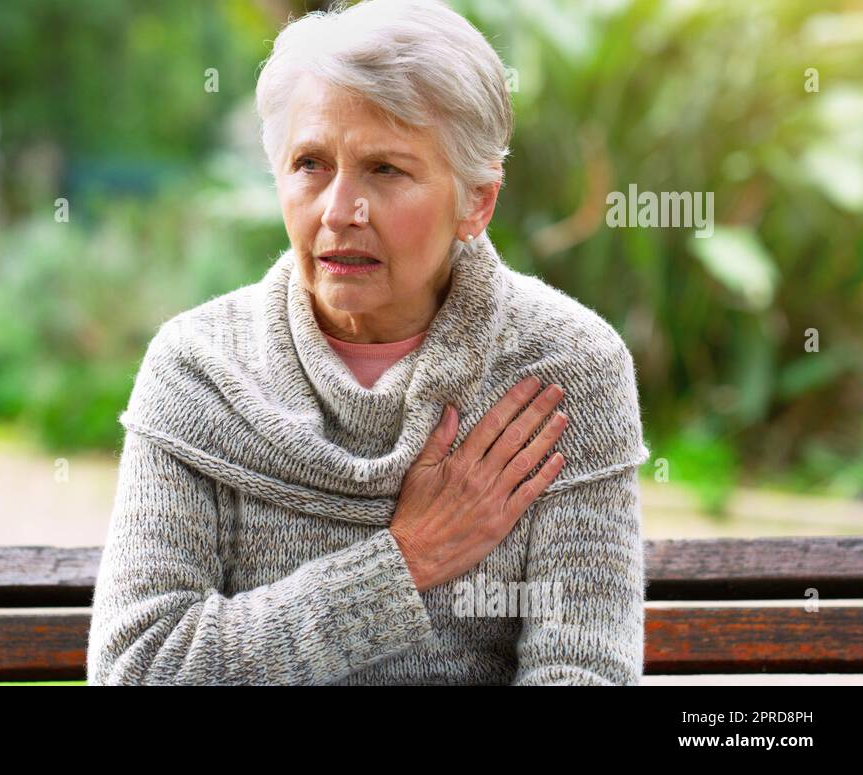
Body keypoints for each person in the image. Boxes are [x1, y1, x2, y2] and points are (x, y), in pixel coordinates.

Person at [87, 0, 650, 685]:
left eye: (385, 169)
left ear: (476, 201)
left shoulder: (567, 368)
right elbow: (138, 669)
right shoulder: (198, 370)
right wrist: (404, 562)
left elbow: (582, 673)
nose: (339, 210)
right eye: (311, 164)